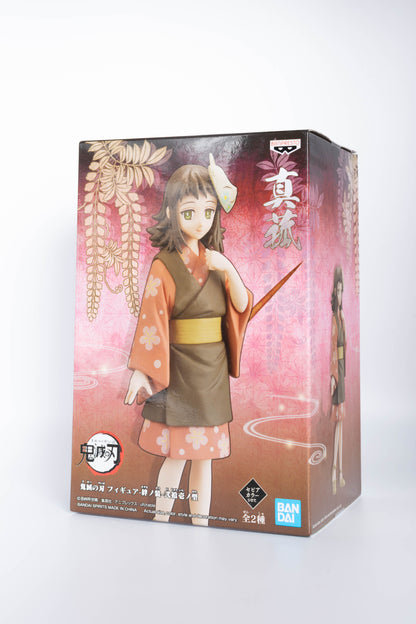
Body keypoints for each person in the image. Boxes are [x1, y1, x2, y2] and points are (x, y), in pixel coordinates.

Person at [125, 158, 252, 525]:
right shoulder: (164, 265)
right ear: (171, 212)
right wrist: (141, 370)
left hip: (211, 369)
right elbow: (152, 319)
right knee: (177, 454)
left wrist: (228, 268)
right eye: (189, 212)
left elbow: (240, 305)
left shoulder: (216, 261)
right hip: (179, 370)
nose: (200, 221)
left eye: (208, 212)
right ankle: (161, 518)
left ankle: (201, 523)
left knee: (204, 457)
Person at [330, 266, 347, 495]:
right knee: (337, 422)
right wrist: (333, 376)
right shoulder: (334, 319)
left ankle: (339, 471)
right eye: (338, 290)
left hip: (341, 371)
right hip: (337, 373)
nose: (340, 294)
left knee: (341, 422)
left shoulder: (341, 317)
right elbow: (332, 349)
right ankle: (335, 471)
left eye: (342, 290)